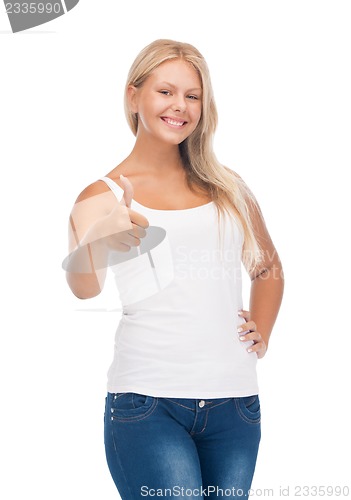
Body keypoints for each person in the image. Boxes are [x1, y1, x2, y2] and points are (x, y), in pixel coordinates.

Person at [65, 39, 284, 499]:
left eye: (192, 95)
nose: (179, 106)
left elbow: (267, 268)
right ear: (133, 96)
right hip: (147, 405)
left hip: (236, 406)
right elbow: (83, 287)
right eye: (165, 92)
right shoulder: (101, 195)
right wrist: (100, 238)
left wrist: (261, 328)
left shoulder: (230, 187)